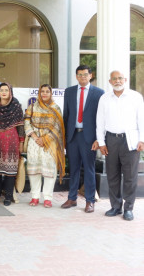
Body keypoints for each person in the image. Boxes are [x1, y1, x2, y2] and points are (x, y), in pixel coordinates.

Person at [96, 70, 144, 221]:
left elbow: (141, 119)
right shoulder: (104, 98)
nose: (117, 81)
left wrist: (142, 140)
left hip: (130, 140)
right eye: (114, 79)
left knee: (130, 176)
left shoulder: (135, 97)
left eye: (120, 78)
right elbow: (100, 122)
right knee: (112, 175)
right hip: (111, 140)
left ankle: (128, 208)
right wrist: (101, 142)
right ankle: (116, 206)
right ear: (110, 81)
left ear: (125, 80)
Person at [61, 65, 104, 213]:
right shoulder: (69, 91)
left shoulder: (99, 93)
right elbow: (66, 116)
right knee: (73, 169)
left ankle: (90, 201)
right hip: (73, 136)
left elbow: (101, 118)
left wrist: (99, 139)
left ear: (90, 75)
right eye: (79, 75)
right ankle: (72, 198)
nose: (82, 77)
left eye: (85, 74)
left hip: (89, 137)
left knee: (89, 169)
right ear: (76, 76)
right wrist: (65, 137)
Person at [24, 84, 66, 208]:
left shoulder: (56, 108)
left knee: (49, 169)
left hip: (50, 142)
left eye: (47, 91)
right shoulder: (32, 107)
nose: (45, 94)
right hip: (34, 141)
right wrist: (35, 137)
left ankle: (48, 198)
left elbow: (58, 126)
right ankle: (35, 196)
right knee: (34, 169)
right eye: (42, 91)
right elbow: (26, 121)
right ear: (39, 93)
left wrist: (45, 139)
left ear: (51, 93)